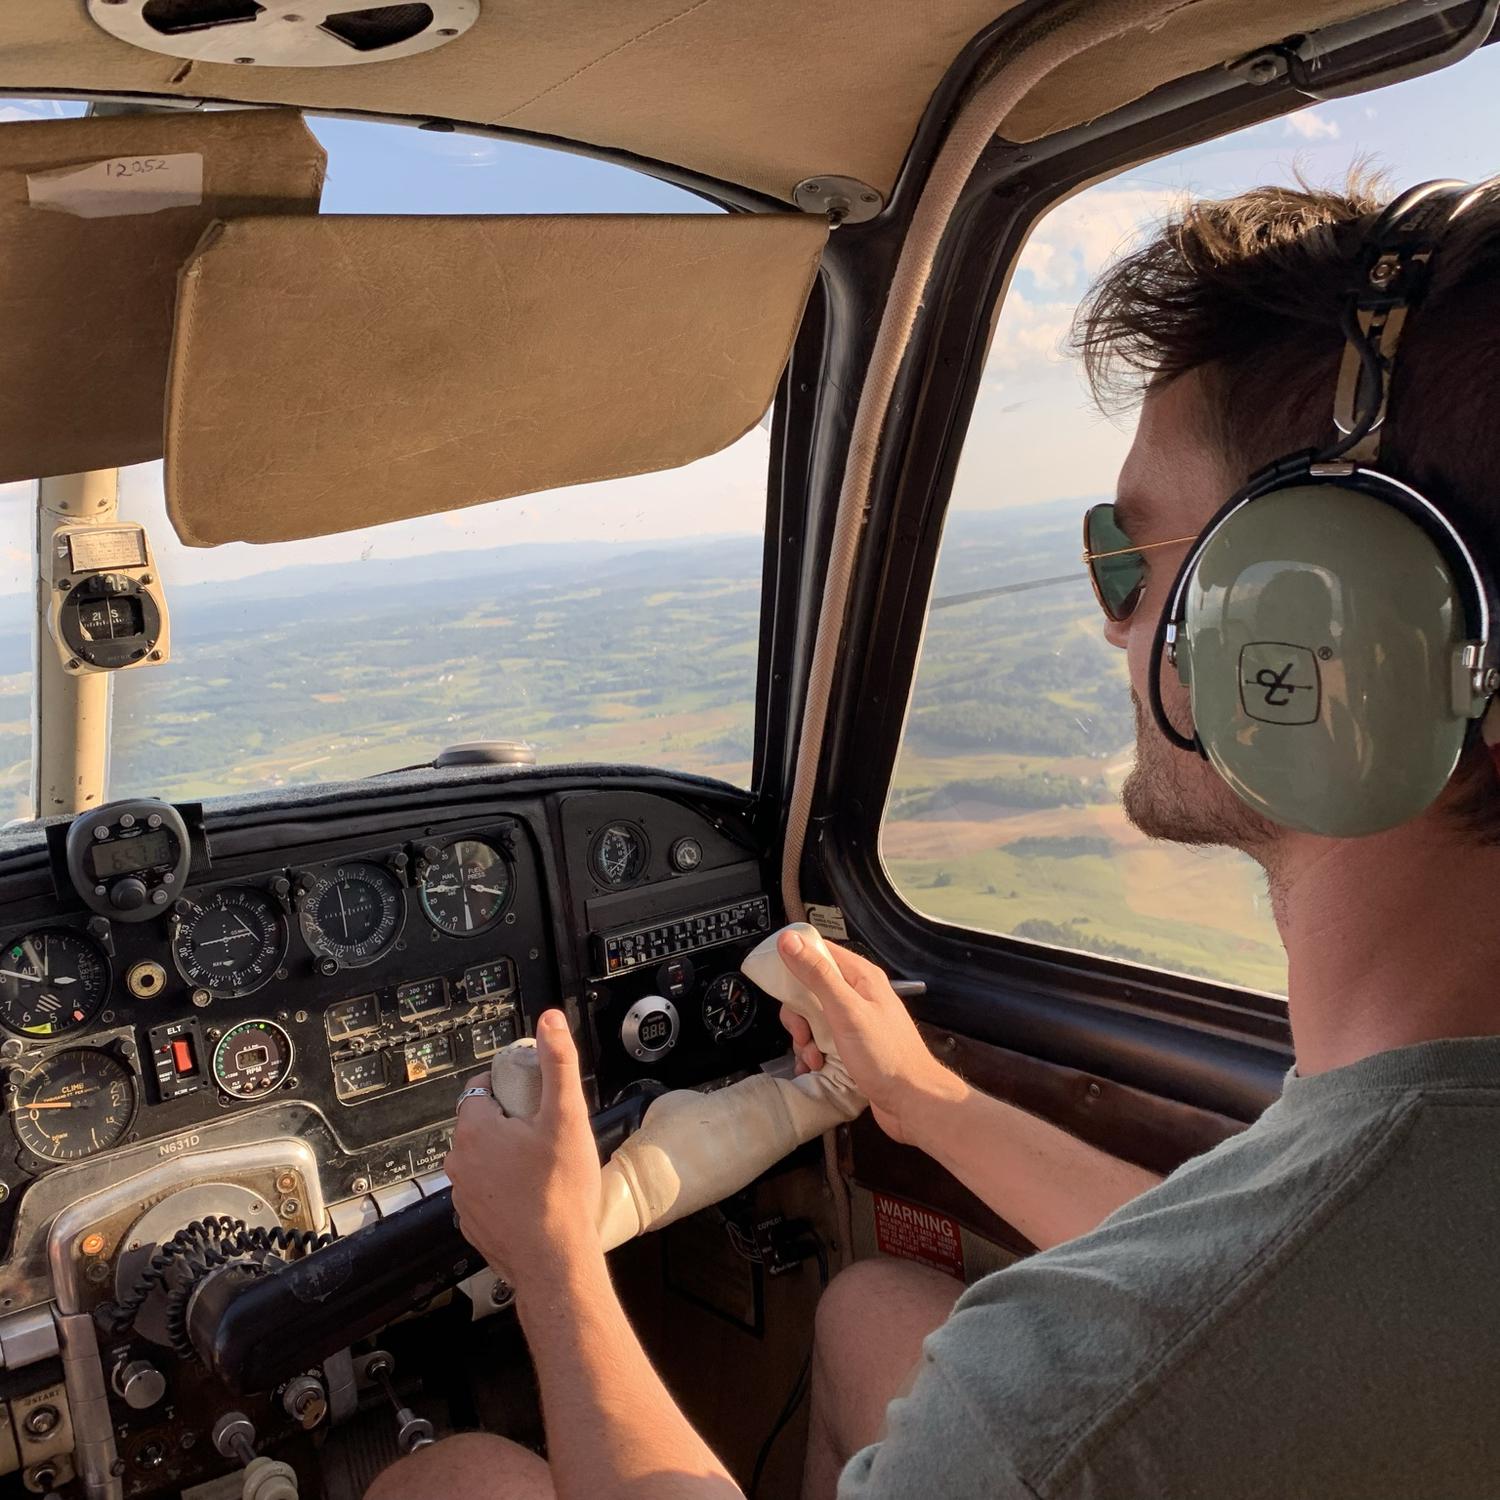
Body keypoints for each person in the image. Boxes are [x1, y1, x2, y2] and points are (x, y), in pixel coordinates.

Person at [368, 174, 1500, 1499]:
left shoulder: (1057, 1417)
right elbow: (1264, 1274)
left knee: (462, 1480)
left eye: (1132, 557)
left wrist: (555, 1263)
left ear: (1325, 626)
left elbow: (1218, 1315)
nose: (1113, 622)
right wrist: (928, 1105)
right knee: (865, 1317)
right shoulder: (1420, 1121)